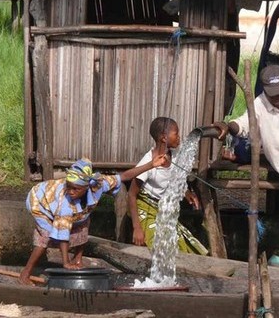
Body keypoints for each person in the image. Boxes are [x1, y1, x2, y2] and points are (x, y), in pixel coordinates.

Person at [18, 154, 169, 285]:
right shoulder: (65, 202)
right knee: (45, 237)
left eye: (75, 189)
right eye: (69, 187)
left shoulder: (98, 184)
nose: (71, 191)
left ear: (86, 187)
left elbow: (124, 176)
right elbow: (62, 235)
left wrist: (151, 164)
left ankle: (78, 259)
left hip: (67, 207)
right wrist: (65, 263)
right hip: (39, 201)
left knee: (83, 222)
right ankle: (25, 274)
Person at [127, 117, 208, 255]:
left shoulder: (174, 155)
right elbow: (131, 195)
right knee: (161, 247)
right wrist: (137, 228)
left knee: (186, 245)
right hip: (145, 209)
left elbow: (175, 179)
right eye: (176, 134)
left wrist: (187, 193)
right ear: (164, 138)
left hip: (161, 209)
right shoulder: (148, 162)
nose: (179, 137)